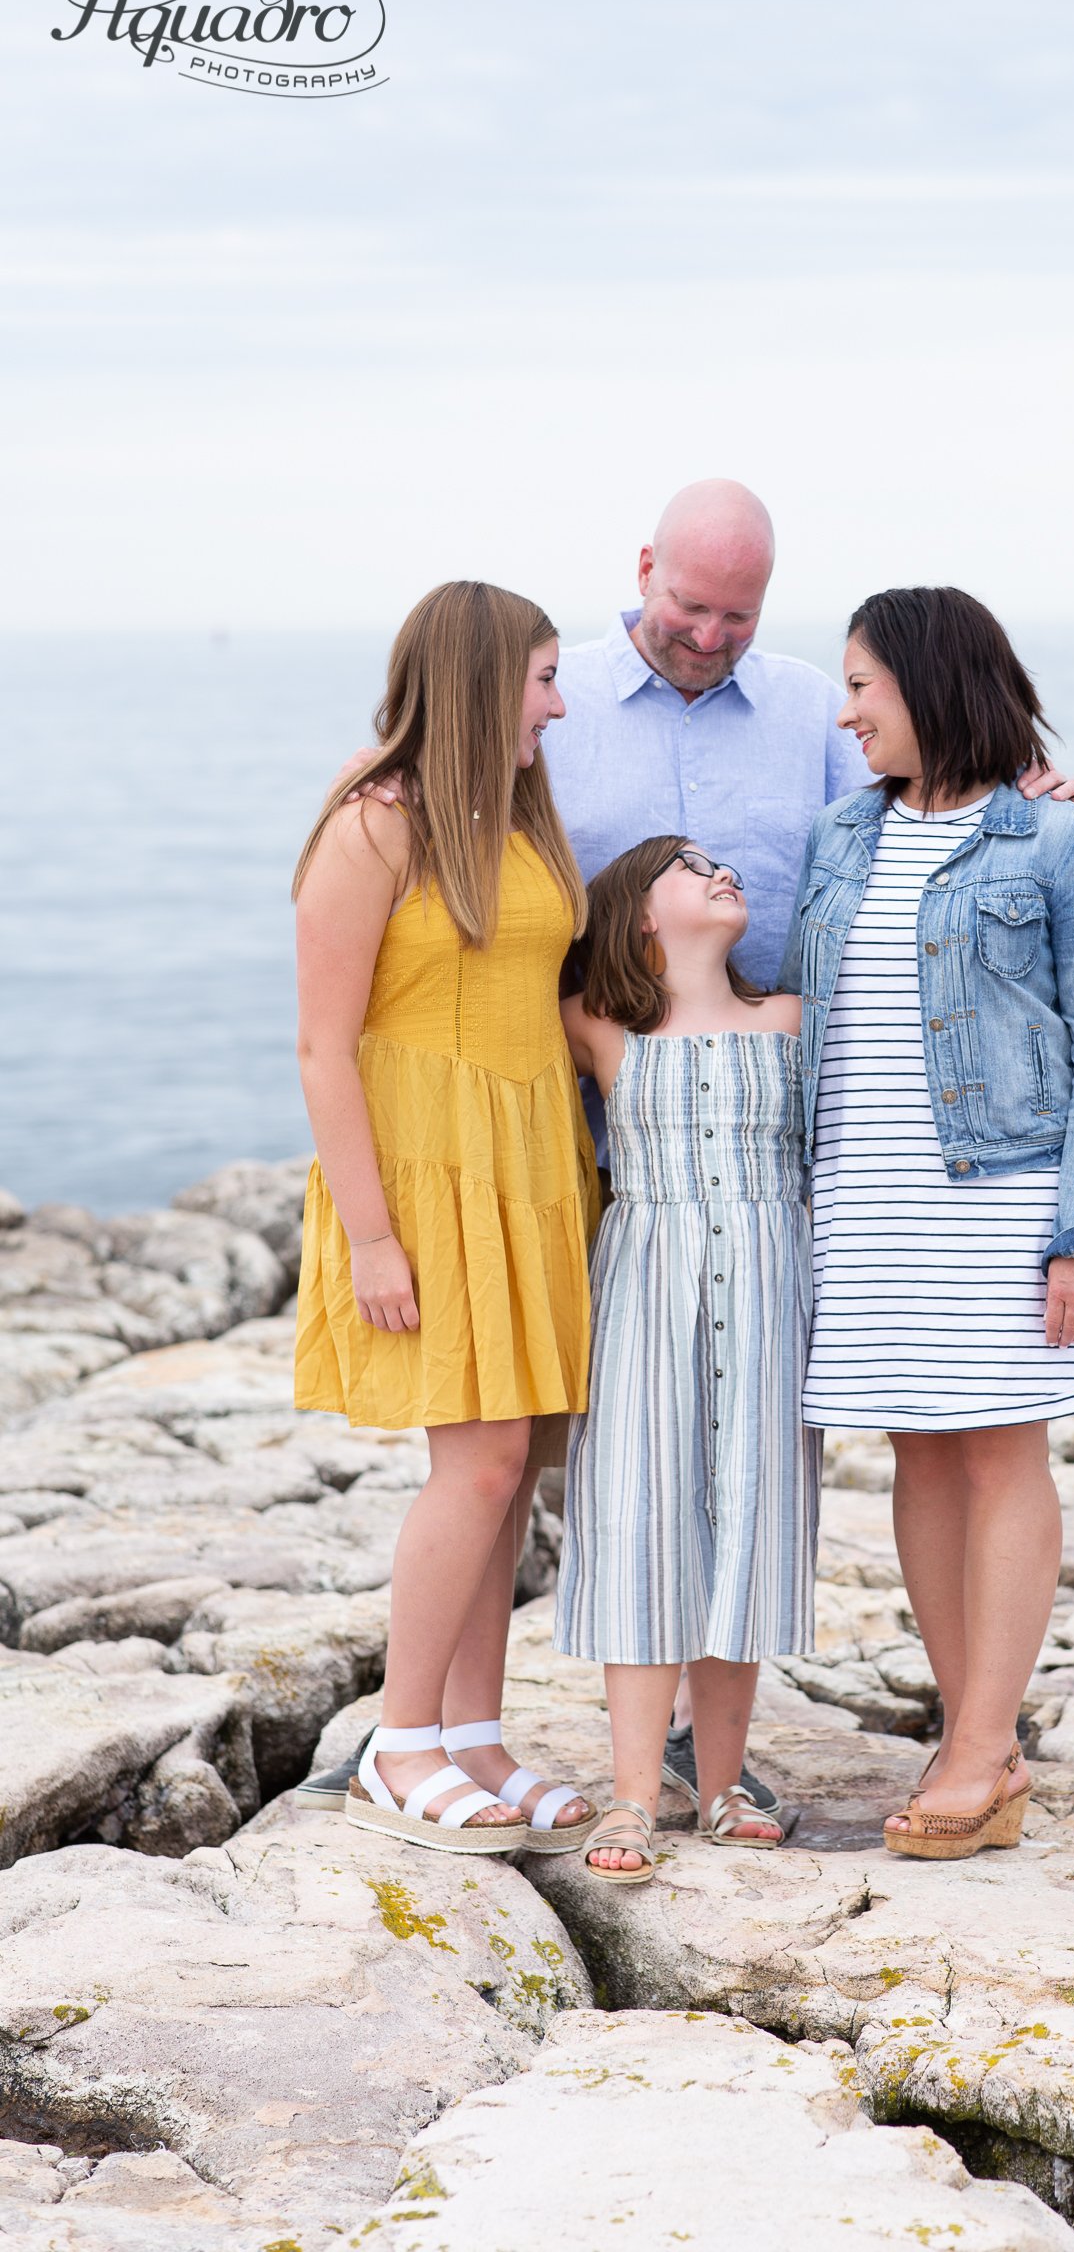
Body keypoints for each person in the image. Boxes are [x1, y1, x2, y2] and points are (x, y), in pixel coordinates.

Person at [296, 479, 1074, 1815]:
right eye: (688, 605)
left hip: (674, 1153)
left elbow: (916, 802)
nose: (712, 634)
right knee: (519, 1459)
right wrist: (375, 1216)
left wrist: (1021, 798)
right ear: (643, 566)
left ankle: (527, 1737)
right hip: (552, 1152)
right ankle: (418, 1737)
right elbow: (346, 1025)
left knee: (611, 1450)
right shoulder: (455, 780)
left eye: (740, 613)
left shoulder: (759, 726)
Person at [780, 586, 1074, 1861]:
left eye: (863, 686)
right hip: (864, 1197)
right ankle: (970, 1733)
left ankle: (983, 1752)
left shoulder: (1055, 845)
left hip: (1002, 1196)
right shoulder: (839, 835)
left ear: (928, 686)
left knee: (999, 1455)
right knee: (917, 1452)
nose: (846, 711)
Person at [292, 580, 597, 1855]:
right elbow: (320, 1048)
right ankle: (399, 1740)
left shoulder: (512, 818)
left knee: (511, 1465)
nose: (559, 701)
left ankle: (475, 1734)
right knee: (472, 1463)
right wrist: (370, 1236)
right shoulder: (373, 828)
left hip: (530, 1167)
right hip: (426, 1180)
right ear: (480, 683)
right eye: (540, 678)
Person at [557, 837, 816, 1882]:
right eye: (691, 867)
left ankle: (720, 1783)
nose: (724, 875)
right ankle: (631, 1792)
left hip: (766, 1283)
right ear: (641, 915)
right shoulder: (599, 1029)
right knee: (644, 1517)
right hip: (646, 1285)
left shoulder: (790, 1021)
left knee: (747, 1512)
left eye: (726, 867)